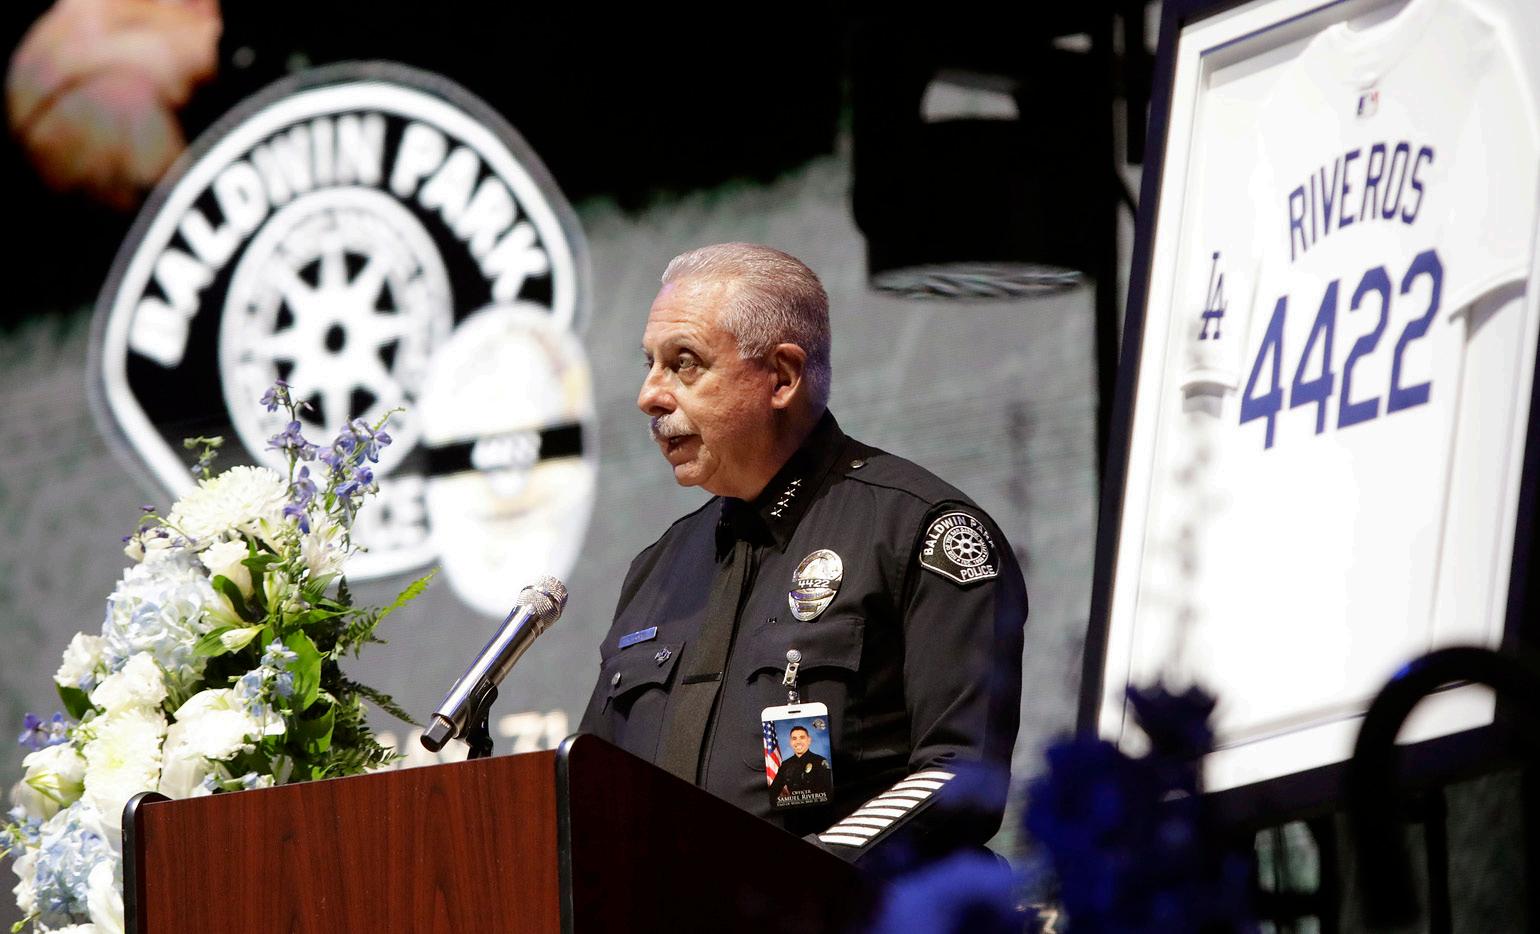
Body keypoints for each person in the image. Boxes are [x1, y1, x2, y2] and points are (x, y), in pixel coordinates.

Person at [578, 242, 1027, 864]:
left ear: (783, 378)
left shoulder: (921, 532)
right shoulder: (656, 569)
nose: (649, 394)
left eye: (684, 364)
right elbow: (590, 796)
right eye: (650, 364)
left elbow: (958, 773)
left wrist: (797, 881)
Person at [769, 726, 833, 801]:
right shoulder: (785, 765)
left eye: (802, 738)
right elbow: (773, 792)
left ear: (809, 740)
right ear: (790, 742)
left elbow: (828, 793)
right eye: (794, 738)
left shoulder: (820, 761)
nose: (798, 742)